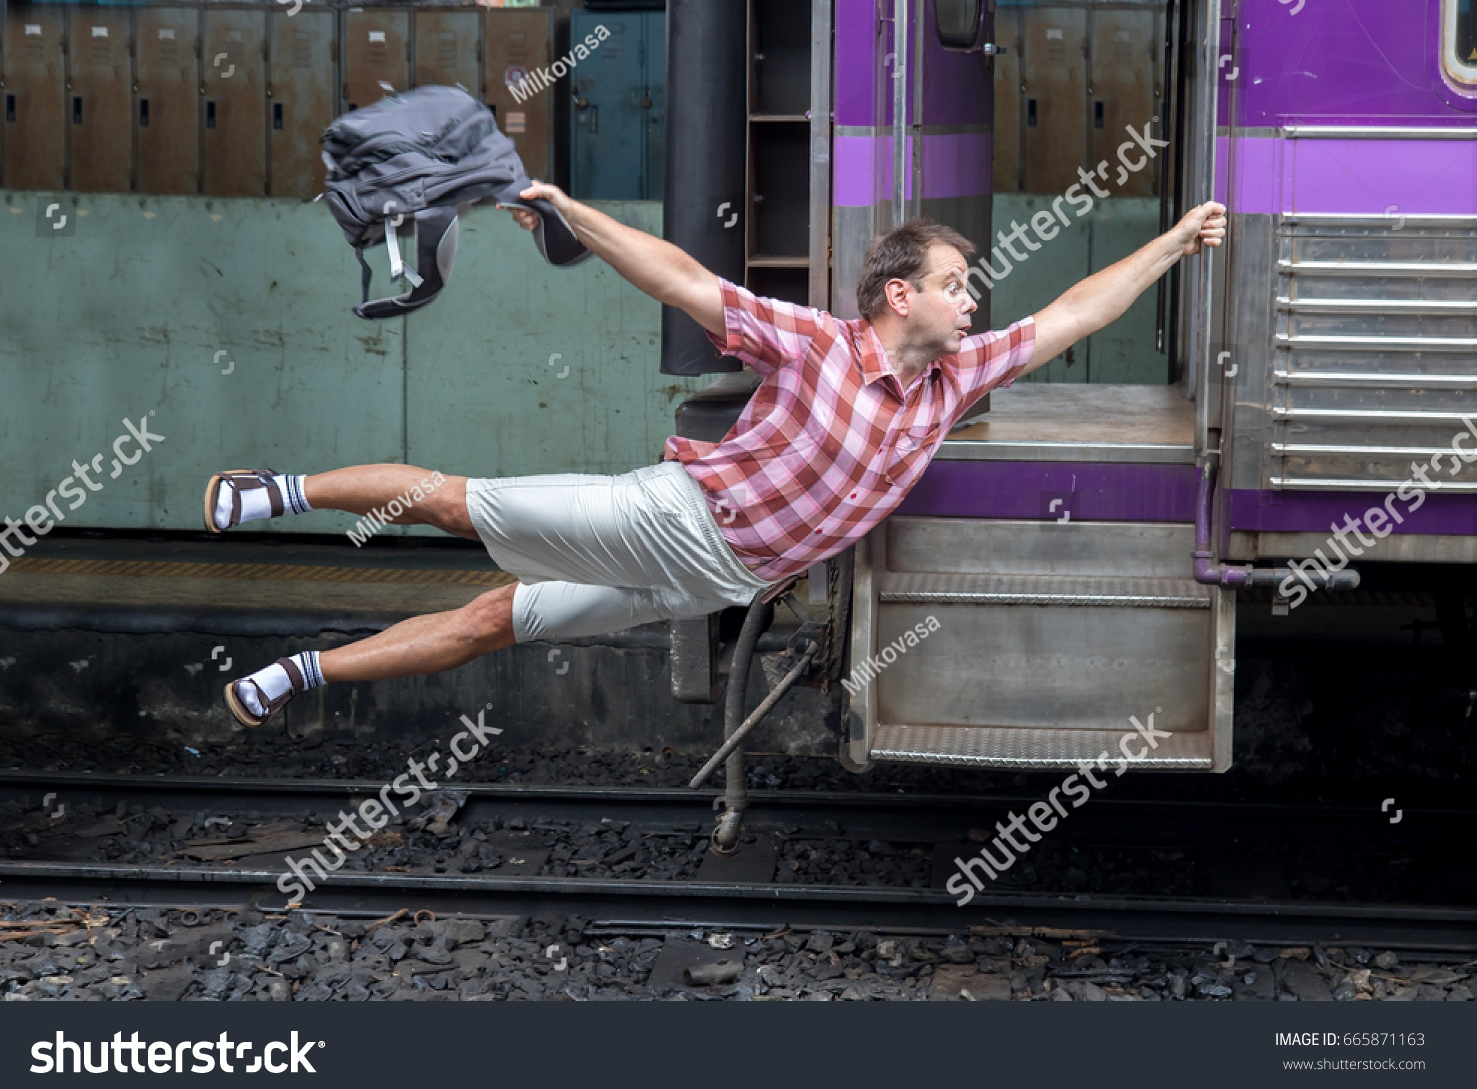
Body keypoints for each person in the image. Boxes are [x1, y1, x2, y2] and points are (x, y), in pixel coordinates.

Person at [209, 182, 1227, 727]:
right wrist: (573, 215)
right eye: (958, 282)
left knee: (487, 621)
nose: (976, 299)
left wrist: (1176, 239)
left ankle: (295, 675)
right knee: (456, 506)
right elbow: (683, 280)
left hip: (711, 582)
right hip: (675, 520)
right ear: (900, 296)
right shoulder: (820, 342)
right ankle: (274, 491)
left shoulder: (959, 380)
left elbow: (1075, 311)